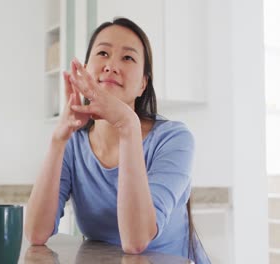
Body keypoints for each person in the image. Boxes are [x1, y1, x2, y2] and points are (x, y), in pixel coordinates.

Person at [25, 17, 210, 263]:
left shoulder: (175, 139)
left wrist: (127, 125)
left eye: (128, 58)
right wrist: (58, 140)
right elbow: (36, 234)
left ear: (143, 84)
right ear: (84, 70)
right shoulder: (74, 144)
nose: (112, 66)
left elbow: (136, 242)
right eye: (103, 53)